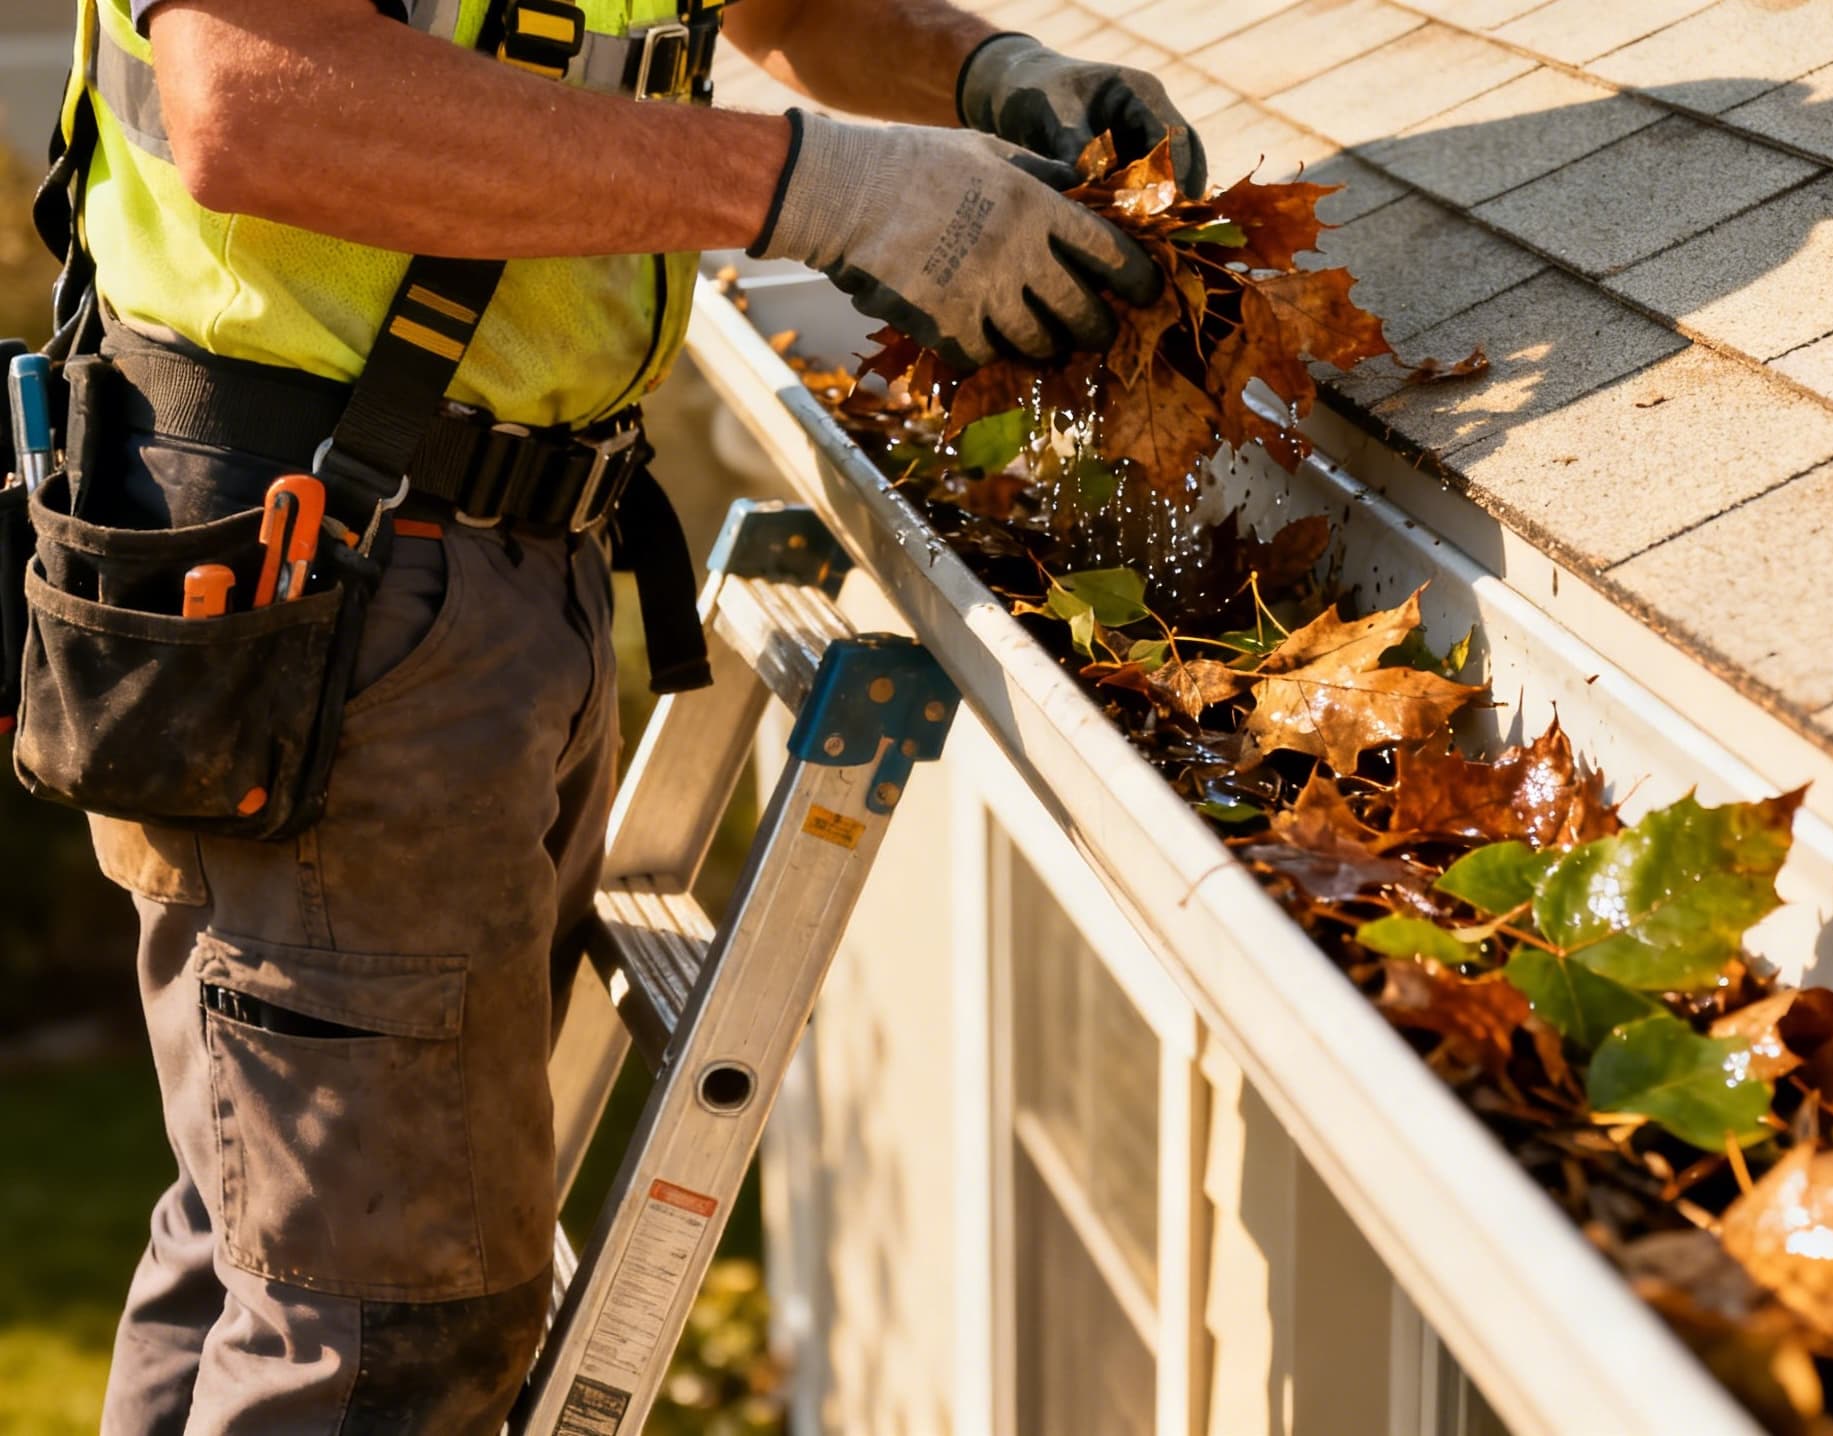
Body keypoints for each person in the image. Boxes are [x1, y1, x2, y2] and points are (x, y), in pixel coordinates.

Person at [37, 0, 1207, 1428]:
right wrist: (834, 188)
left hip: (459, 566)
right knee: (386, 1327)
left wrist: (981, 76)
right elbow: (257, 99)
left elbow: (768, 11)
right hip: (321, 568)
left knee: (265, 1251)